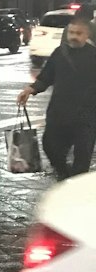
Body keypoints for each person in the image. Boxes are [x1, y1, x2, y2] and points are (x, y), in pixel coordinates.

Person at [18, 13, 96, 179]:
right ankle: (64, 173)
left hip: (86, 115)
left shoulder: (93, 55)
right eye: (71, 32)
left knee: (82, 156)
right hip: (59, 112)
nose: (74, 37)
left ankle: (74, 185)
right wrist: (30, 90)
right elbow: (46, 76)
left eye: (78, 33)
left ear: (87, 34)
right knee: (50, 146)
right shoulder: (59, 53)